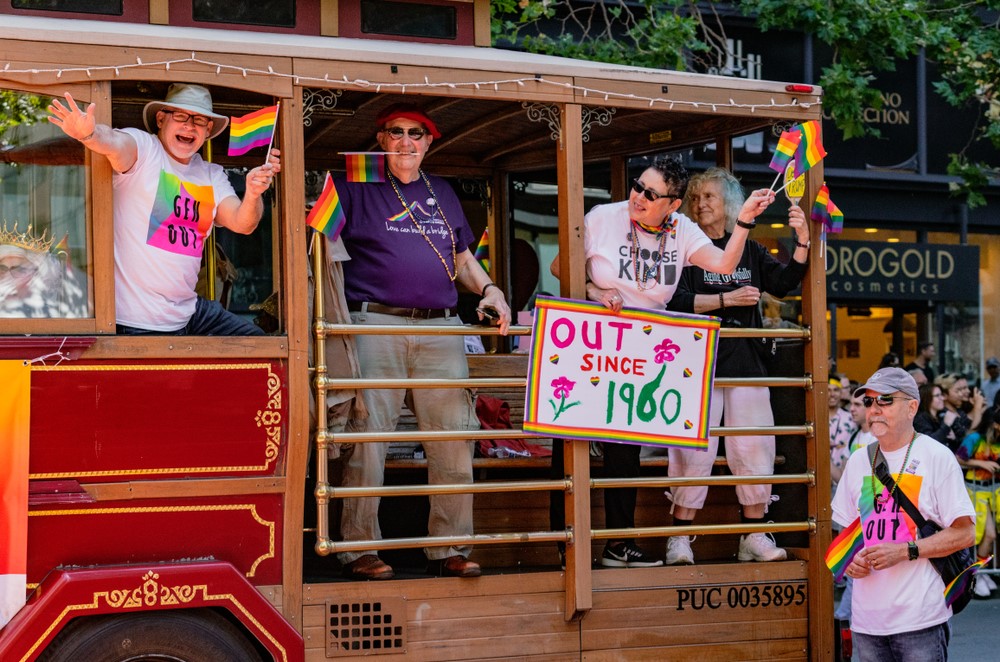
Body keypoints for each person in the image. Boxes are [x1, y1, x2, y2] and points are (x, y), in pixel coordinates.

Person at [549, 158, 776, 568]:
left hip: (641, 348)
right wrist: (594, 291)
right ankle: (563, 547)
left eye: (650, 194)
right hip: (590, 339)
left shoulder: (684, 230)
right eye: (638, 186)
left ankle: (618, 545)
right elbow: (559, 267)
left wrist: (742, 223)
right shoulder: (603, 216)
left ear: (671, 205)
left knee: (625, 449)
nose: (638, 196)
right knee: (569, 440)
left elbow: (725, 265)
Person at [333, 103, 512, 580]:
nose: (406, 142)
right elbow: (314, 243)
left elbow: (462, 258)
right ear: (382, 139)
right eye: (396, 133)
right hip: (375, 323)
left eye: (416, 134)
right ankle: (358, 548)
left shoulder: (443, 191)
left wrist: (491, 289)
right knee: (368, 439)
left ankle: (448, 546)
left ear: (429, 143)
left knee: (453, 438)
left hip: (440, 325)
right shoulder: (354, 186)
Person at [46, 84, 280, 334]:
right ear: (161, 119)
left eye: (199, 120)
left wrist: (254, 193)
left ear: (208, 130)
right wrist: (90, 134)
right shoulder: (145, 149)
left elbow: (243, 223)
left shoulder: (212, 174)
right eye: (180, 116)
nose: (190, 126)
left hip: (190, 313)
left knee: (259, 348)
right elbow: (114, 142)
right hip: (137, 319)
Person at [663, 166, 808, 565]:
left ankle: (754, 536)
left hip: (746, 361)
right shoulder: (685, 248)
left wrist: (803, 242)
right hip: (697, 365)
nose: (700, 203)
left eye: (708, 196)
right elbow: (673, 302)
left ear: (729, 204)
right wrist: (726, 301)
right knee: (692, 452)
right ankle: (679, 538)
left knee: (754, 447)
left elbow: (783, 283)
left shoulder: (750, 249)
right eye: (695, 198)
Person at [832, 367, 975, 660]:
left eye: (885, 400)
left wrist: (906, 550)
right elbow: (843, 532)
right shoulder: (859, 460)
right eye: (869, 402)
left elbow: (965, 532)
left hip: (920, 619)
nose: (874, 409)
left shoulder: (937, 457)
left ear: (912, 407)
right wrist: (848, 561)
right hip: (866, 621)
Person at [954, 405, 1000, 598]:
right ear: (995, 425)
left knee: (991, 535)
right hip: (975, 491)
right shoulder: (974, 438)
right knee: (985, 535)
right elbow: (957, 458)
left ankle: (982, 571)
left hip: (993, 491)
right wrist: (981, 463)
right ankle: (977, 573)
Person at [935, 373, 986, 452]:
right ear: (944, 395)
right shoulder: (943, 414)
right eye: (958, 390)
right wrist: (977, 406)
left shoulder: (958, 409)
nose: (962, 393)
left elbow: (969, 424)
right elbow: (969, 437)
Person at [829, 377, 858, 491]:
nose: (832, 394)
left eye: (836, 390)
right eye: (828, 390)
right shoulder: (814, 419)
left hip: (842, 483)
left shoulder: (852, 420)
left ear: (841, 393)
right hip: (817, 481)